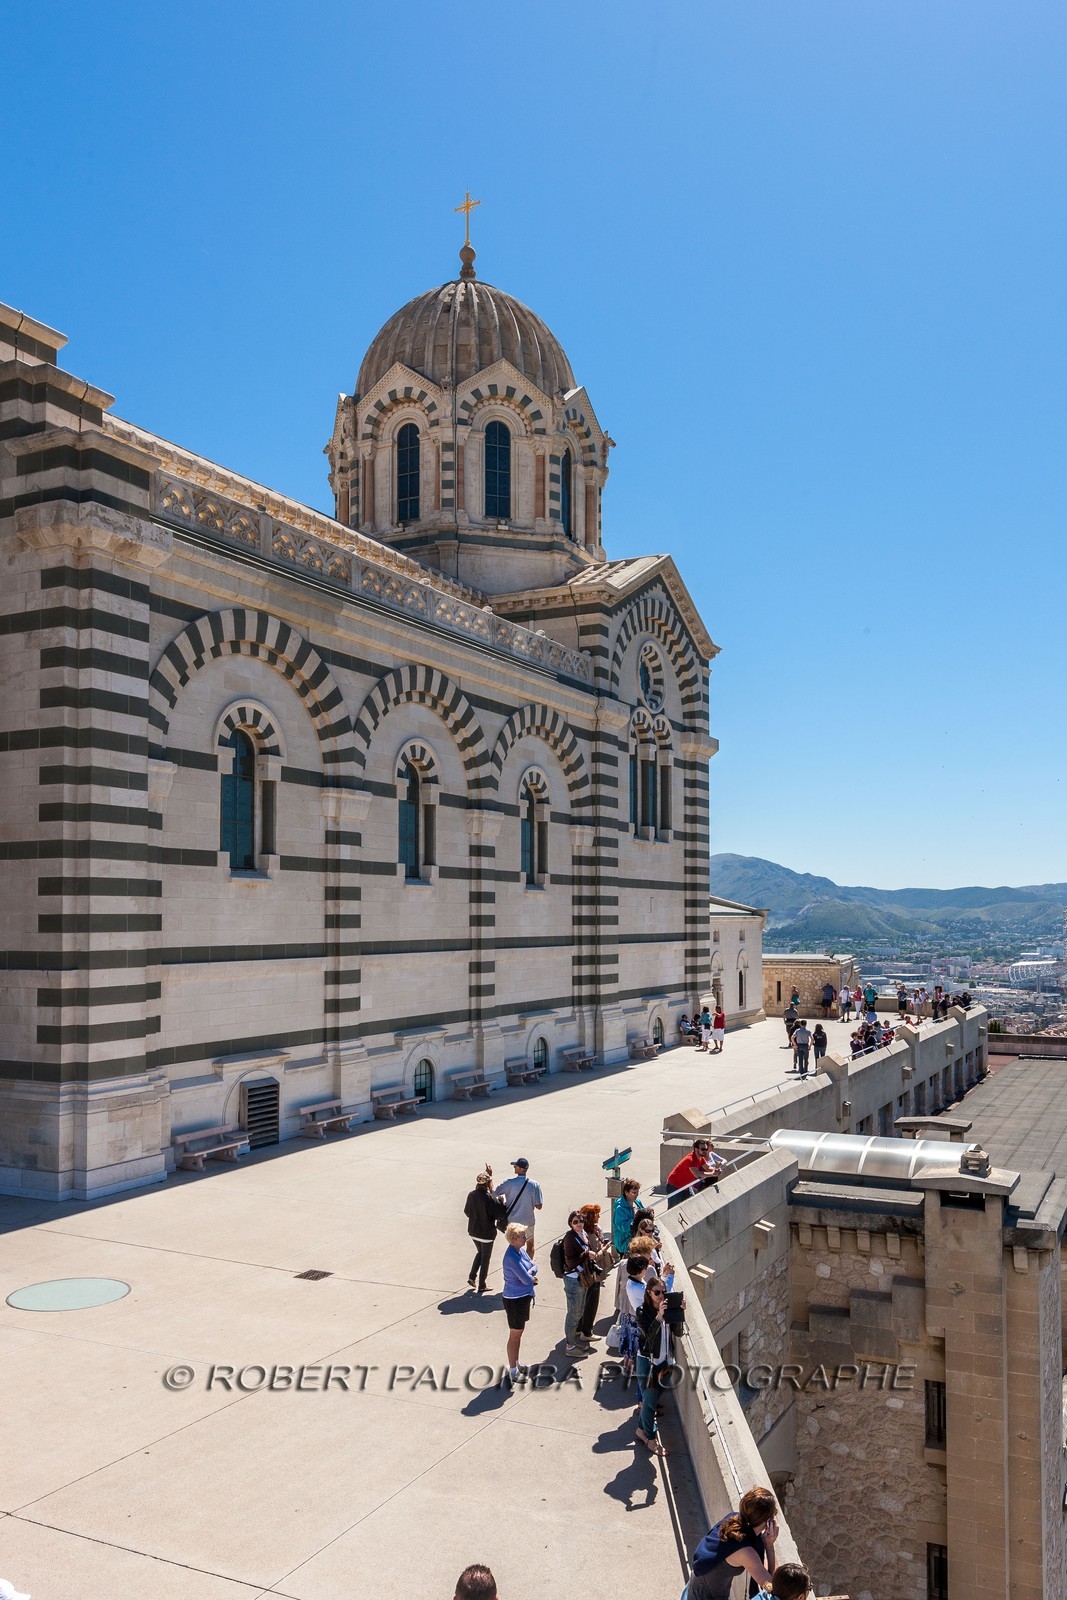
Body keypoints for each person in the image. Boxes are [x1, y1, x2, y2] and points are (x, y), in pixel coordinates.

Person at [687, 1487, 780, 1598]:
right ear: (768, 1521)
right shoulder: (746, 1552)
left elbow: (759, 1563)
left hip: (697, 1584)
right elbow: (772, 1586)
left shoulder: (733, 1519)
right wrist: (770, 1545)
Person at [635, 1276, 672, 1455]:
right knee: (649, 1403)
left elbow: (678, 1333)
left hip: (666, 1361)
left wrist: (679, 1314)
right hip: (648, 1363)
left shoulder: (668, 1308)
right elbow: (648, 1336)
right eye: (657, 1292)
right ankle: (649, 1438)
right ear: (649, 1293)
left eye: (663, 1291)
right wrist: (659, 1317)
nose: (661, 1295)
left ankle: (641, 1429)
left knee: (654, 1399)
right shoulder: (642, 1311)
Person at [501, 1222, 537, 1380]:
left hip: (523, 1297)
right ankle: (513, 1369)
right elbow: (526, 1279)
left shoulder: (520, 1251)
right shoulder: (511, 1257)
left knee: (519, 1333)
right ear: (514, 1238)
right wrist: (532, 1274)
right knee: (515, 1334)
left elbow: (533, 1266)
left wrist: (532, 1272)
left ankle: (516, 1362)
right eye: (523, 1236)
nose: (525, 1238)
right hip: (515, 1301)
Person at [463, 1171, 506, 1294]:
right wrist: (501, 1203)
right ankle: (482, 1285)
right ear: (487, 1183)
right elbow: (500, 1214)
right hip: (487, 1234)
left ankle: (472, 1277)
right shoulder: (490, 1198)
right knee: (485, 1258)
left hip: (473, 1231)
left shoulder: (471, 1195)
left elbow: (467, 1212)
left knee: (480, 1253)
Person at [492, 1158, 543, 1256]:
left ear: (519, 1168)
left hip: (513, 1223)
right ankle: (528, 1265)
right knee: (530, 1243)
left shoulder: (509, 1183)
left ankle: (516, 1265)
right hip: (528, 1221)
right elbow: (539, 1206)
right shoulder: (535, 1185)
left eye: (515, 1166)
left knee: (514, 1246)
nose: (514, 1167)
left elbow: (494, 1193)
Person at [562, 1209, 595, 1355]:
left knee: (579, 1311)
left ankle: (573, 1342)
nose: (579, 1224)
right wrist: (587, 1254)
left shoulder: (582, 1234)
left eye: (581, 1221)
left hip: (581, 1278)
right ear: (570, 1223)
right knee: (574, 1314)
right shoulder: (570, 1238)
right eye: (575, 1222)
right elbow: (570, 1261)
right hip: (573, 1279)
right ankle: (570, 1347)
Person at [577, 1202, 610, 1343]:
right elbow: (595, 1255)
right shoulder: (590, 1235)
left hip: (585, 1274)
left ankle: (578, 1328)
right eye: (596, 1215)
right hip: (592, 1274)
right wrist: (604, 1249)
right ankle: (587, 1332)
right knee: (591, 1303)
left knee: (583, 1302)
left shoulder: (581, 1233)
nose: (599, 1217)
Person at [612, 1177, 641, 1256]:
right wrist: (636, 1217)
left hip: (637, 1238)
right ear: (626, 1192)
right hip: (624, 1242)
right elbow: (623, 1227)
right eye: (634, 1193)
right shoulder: (620, 1208)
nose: (636, 1195)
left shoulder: (637, 1202)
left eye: (637, 1192)